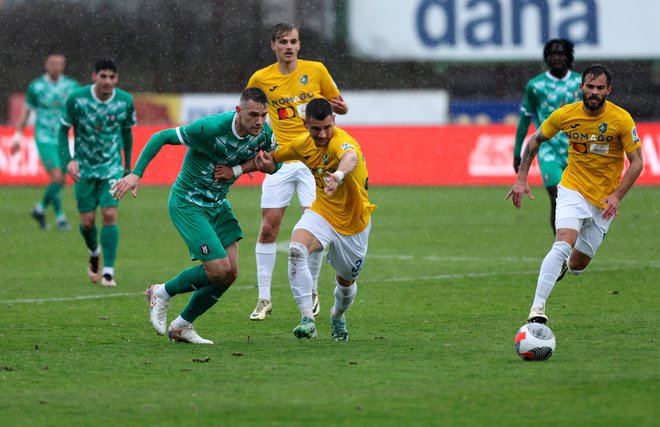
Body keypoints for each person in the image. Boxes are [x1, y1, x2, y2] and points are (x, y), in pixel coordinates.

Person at [110, 87, 279, 345]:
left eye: (263, 115)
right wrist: (136, 173)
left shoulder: (264, 133)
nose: (259, 121)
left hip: (218, 204)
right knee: (218, 269)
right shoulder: (210, 128)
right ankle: (161, 292)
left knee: (230, 273)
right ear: (238, 111)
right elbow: (161, 136)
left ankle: (182, 326)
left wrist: (266, 167)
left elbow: (273, 162)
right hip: (188, 203)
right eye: (253, 114)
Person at [506, 65, 644, 324]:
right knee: (562, 242)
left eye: (599, 88)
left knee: (577, 265)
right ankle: (537, 311)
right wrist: (521, 178)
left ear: (608, 91)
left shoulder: (622, 119)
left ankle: (565, 265)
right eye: (589, 87)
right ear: (581, 88)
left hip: (604, 201)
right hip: (572, 189)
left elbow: (637, 162)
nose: (594, 92)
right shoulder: (565, 115)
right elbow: (535, 139)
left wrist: (616, 196)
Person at [242, 23, 349, 321]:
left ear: (299, 45)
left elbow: (336, 108)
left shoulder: (316, 70)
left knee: (312, 225)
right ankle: (264, 298)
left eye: (293, 41)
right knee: (268, 228)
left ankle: (312, 289)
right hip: (281, 157)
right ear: (273, 46)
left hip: (313, 159)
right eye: (283, 42)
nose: (288, 46)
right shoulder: (261, 78)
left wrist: (342, 109)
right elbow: (249, 115)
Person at [254, 98, 375, 340]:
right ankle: (307, 319)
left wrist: (338, 175)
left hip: (353, 224)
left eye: (327, 127)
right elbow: (272, 158)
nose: (322, 134)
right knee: (297, 249)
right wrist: (240, 169)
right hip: (322, 212)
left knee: (346, 284)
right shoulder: (302, 144)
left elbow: (349, 158)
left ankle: (337, 316)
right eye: (316, 128)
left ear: (334, 121)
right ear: (305, 124)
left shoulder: (343, 142)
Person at [59, 58, 136, 288]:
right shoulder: (77, 99)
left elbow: (127, 135)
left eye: (112, 77)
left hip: (111, 167)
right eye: (103, 76)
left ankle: (109, 272)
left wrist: (128, 168)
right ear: (94, 77)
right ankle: (94, 252)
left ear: (117, 79)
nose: (108, 81)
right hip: (83, 169)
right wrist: (68, 161)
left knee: (110, 215)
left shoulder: (125, 101)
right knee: (87, 222)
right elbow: (62, 131)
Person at [513, 39, 582, 234]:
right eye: (552, 54)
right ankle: (561, 247)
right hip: (548, 151)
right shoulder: (535, 86)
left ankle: (575, 245)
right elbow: (524, 121)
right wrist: (517, 152)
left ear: (568, 57)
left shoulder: (581, 83)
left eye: (561, 54)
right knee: (558, 197)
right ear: (546, 58)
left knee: (579, 201)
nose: (556, 58)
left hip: (577, 150)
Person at [12, 54, 80, 230]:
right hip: (44, 136)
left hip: (63, 137)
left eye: (58, 64)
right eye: (52, 64)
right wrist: (17, 136)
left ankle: (44, 211)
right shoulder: (36, 87)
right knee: (57, 176)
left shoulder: (71, 86)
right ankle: (55, 215)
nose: (55, 67)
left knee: (60, 180)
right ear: (46, 65)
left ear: (63, 66)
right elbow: (27, 112)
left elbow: (80, 109)